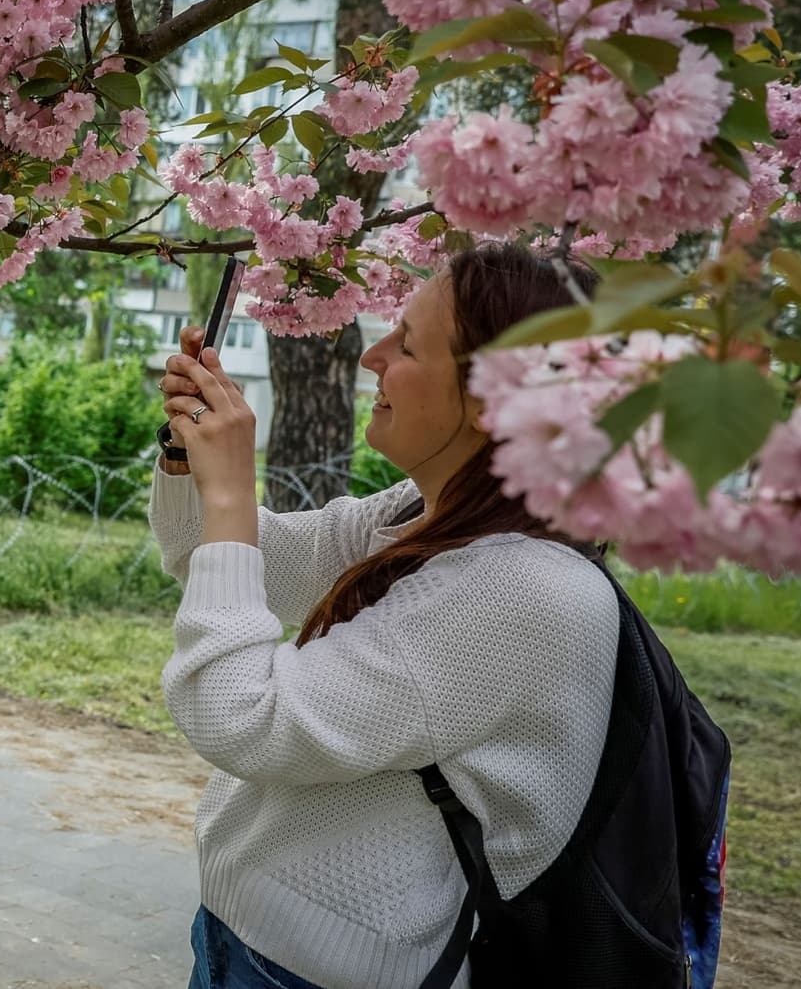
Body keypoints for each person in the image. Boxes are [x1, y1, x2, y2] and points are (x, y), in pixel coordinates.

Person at [151, 243, 617, 989]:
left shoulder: (525, 586)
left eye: (408, 341)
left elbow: (242, 715)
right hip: (251, 938)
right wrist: (190, 457)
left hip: (326, 973)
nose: (373, 356)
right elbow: (222, 555)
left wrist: (234, 492)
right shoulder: (418, 516)